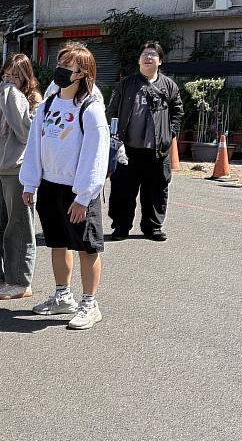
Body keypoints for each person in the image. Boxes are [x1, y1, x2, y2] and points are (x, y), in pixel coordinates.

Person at [20, 43, 109, 330]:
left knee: (86, 248)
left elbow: (96, 155)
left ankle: (89, 303)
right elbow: (35, 146)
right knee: (57, 243)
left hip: (78, 191)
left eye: (68, 66)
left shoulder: (91, 109)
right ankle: (62, 296)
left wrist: (83, 196)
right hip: (50, 186)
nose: (60, 70)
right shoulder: (47, 105)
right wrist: (30, 182)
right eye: (60, 63)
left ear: (82, 73)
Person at [107, 41, 183, 242]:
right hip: (127, 148)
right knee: (123, 190)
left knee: (156, 190)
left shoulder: (169, 86)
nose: (148, 57)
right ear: (139, 60)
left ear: (160, 61)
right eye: (145, 54)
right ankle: (121, 227)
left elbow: (178, 112)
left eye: (153, 54)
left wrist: (170, 134)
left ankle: (153, 228)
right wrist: (113, 136)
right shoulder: (126, 84)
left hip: (157, 150)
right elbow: (112, 110)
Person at [0, 53, 41, 300]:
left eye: (15, 77)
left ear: (25, 77)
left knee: (18, 227)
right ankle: (1, 277)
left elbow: (26, 134)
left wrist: (12, 98)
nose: (9, 81)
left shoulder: (32, 99)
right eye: (6, 76)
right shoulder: (1, 95)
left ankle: (20, 281)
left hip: (18, 170)